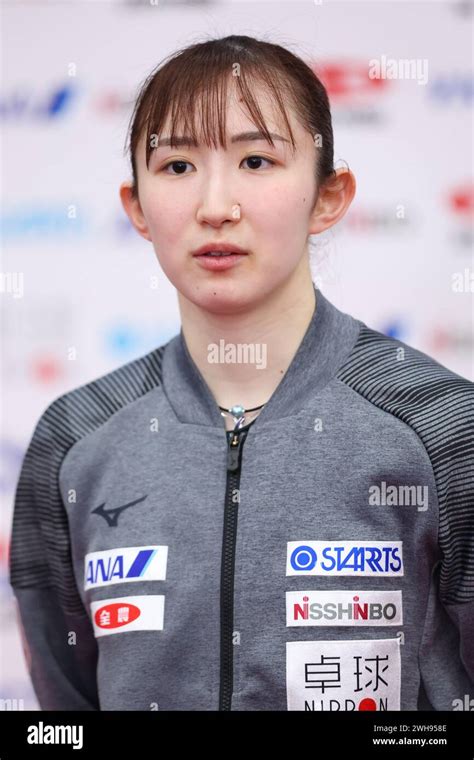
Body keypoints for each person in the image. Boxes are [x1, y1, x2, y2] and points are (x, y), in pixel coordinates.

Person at [9, 35, 473, 711]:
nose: (215, 205)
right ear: (136, 206)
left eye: (256, 159)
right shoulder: (75, 443)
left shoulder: (442, 428)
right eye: (176, 167)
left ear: (329, 196)